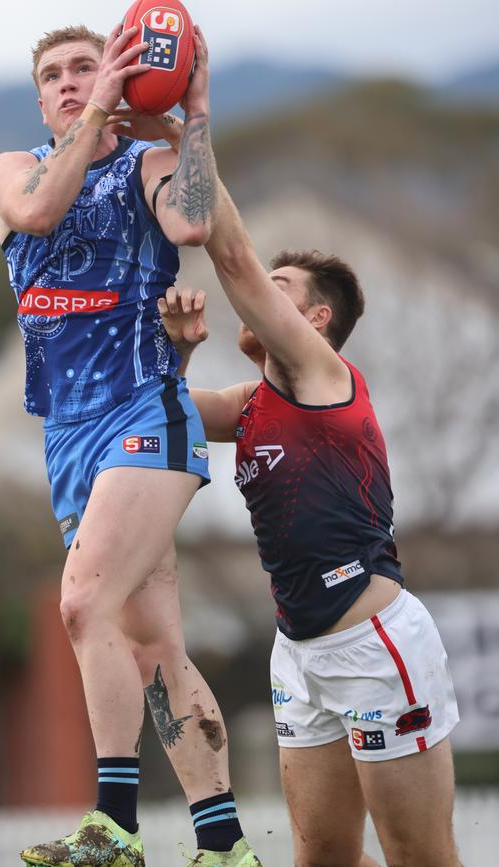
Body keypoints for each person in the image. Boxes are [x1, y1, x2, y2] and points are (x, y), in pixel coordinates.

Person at [0, 19, 260, 867]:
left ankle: (114, 825)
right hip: (68, 436)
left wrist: (193, 113)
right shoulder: (12, 170)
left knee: (80, 603)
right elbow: (36, 210)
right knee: (150, 644)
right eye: (55, 73)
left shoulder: (146, 164)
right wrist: (100, 104)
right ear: (39, 96)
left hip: (146, 408)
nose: (71, 81)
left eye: (86, 66)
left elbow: (188, 228)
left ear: (118, 74)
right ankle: (226, 846)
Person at [157, 187, 462, 866]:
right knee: (320, 854)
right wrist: (176, 351)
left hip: (373, 645)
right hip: (298, 654)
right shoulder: (249, 404)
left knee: (419, 853)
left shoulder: (323, 375)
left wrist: (191, 141)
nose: (257, 290)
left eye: (278, 285)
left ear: (315, 318)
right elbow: (160, 415)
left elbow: (233, 258)